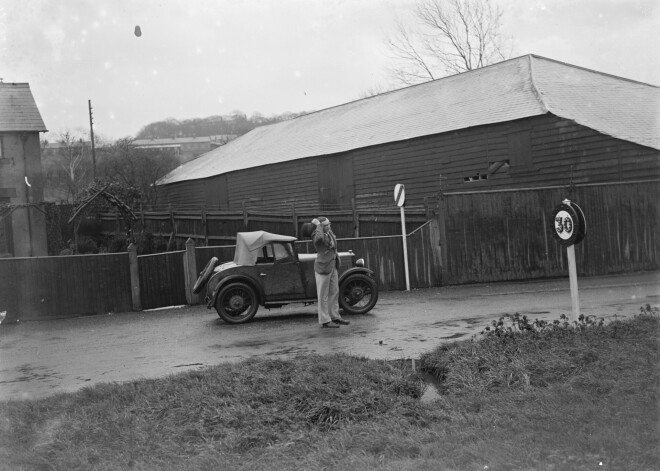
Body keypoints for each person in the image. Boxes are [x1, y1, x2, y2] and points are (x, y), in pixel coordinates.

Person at [311, 217, 350, 328]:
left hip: (332, 265)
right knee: (323, 295)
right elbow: (319, 239)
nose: (328, 226)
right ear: (320, 227)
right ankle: (324, 320)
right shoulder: (316, 234)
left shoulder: (329, 233)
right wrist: (319, 225)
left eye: (329, 224)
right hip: (323, 268)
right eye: (326, 225)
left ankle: (335, 316)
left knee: (334, 291)